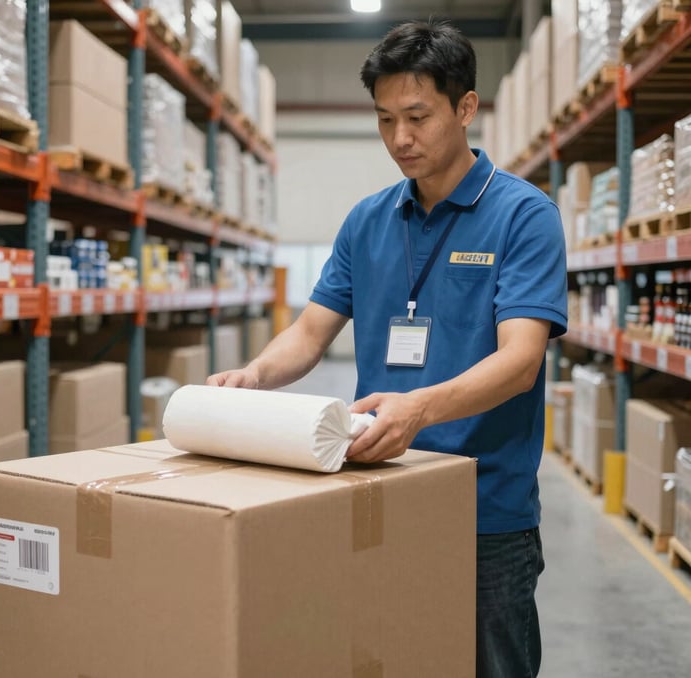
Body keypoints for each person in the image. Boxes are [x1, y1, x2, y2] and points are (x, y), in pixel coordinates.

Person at [207, 19, 567, 678]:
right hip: (380, 490)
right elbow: (311, 332)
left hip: (486, 513)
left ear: (465, 108)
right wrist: (254, 376)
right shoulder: (367, 220)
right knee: (386, 657)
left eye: (418, 116)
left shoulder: (524, 215)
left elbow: (520, 362)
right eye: (383, 119)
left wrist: (418, 411)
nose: (399, 138)